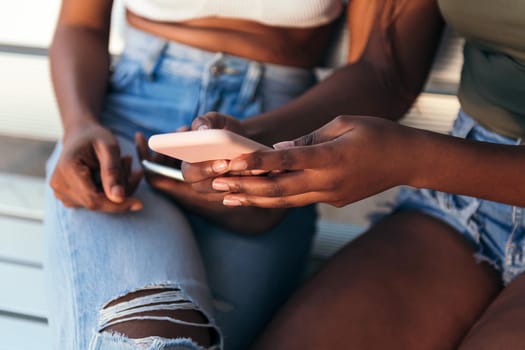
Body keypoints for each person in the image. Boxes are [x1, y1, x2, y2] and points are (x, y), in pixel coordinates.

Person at [43, 0, 443, 349]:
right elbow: (81, 24)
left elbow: (384, 70)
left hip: (283, 141)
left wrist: (260, 146)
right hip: (125, 135)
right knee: (146, 333)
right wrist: (79, 123)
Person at [183, 0, 525, 349]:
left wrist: (414, 160)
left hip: (449, 168)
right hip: (465, 199)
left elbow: (412, 155)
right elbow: (385, 69)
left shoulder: (421, 161)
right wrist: (258, 144)